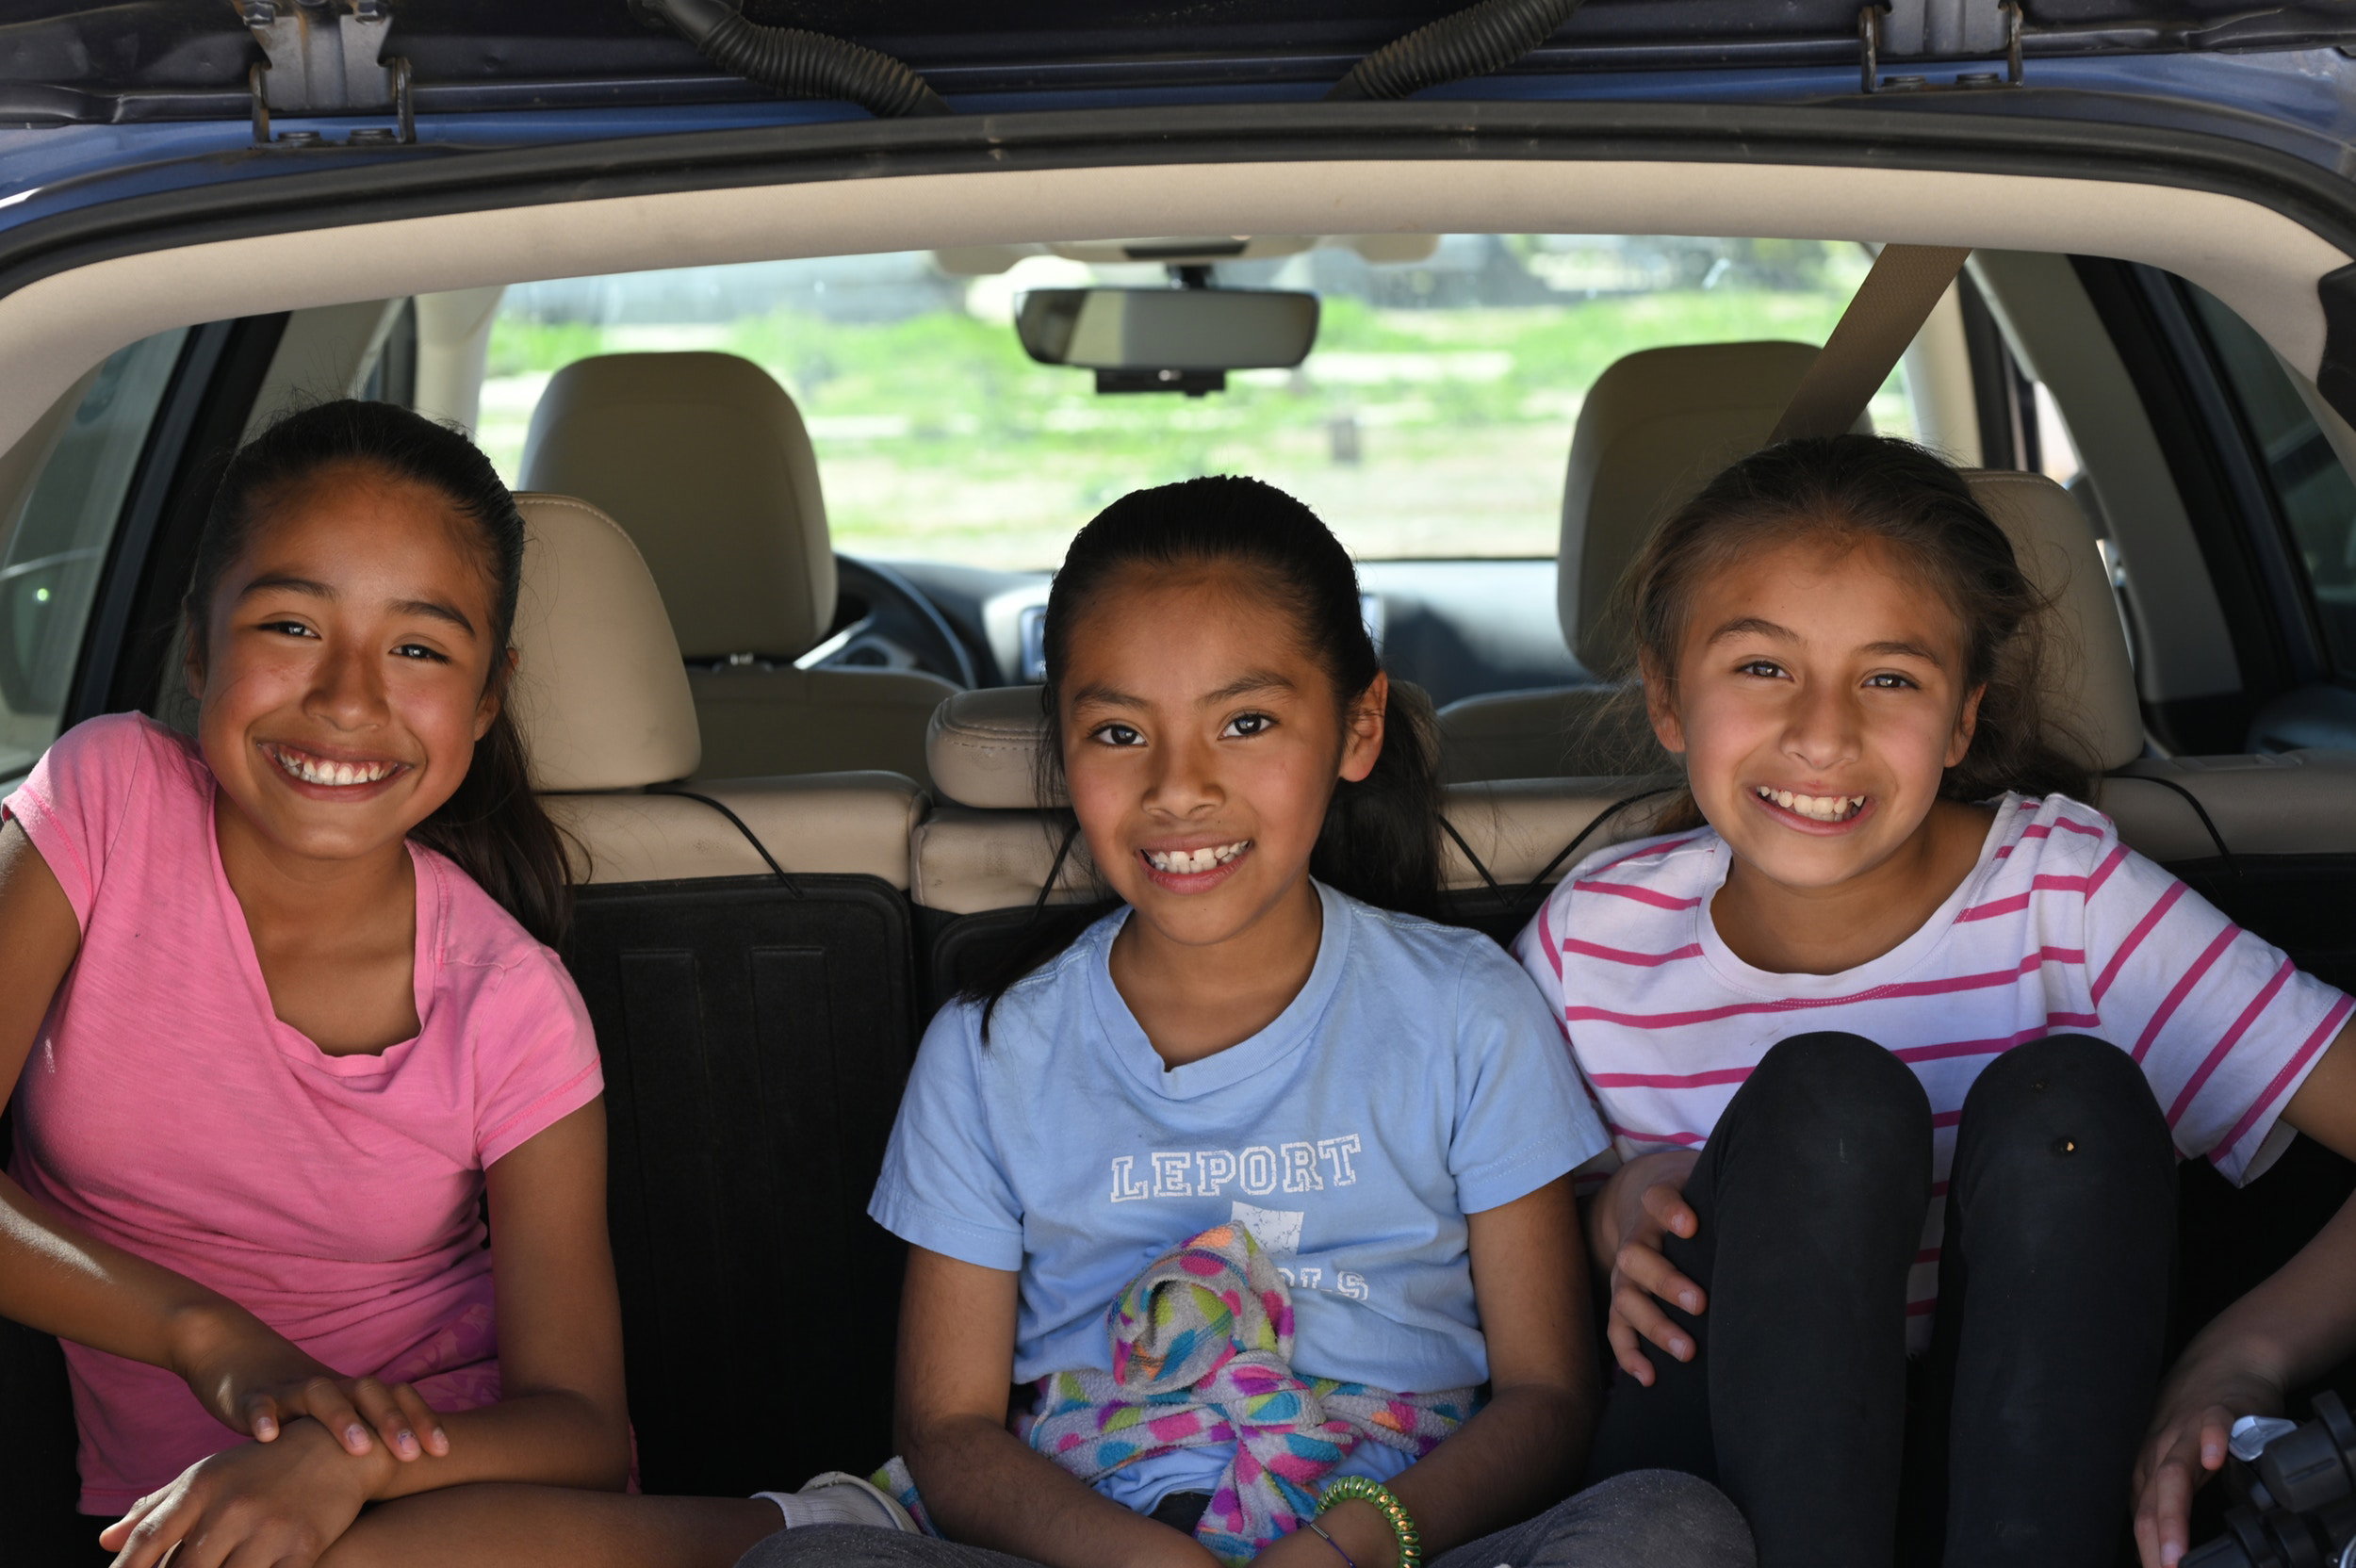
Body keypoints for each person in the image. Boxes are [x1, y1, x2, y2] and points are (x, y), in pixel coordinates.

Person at [733, 477, 1755, 1568]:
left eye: (1247, 722)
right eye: (1121, 731)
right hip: (1086, 1539)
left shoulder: (1465, 1008)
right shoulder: (991, 1050)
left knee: (1671, 1524)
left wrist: (1345, 1546)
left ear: (1358, 728)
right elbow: (945, 1430)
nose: (1180, 786)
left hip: (1389, 1537)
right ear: (1061, 750)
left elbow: (1547, 1397)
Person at [1513, 433, 2356, 1568]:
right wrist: (1605, 1217)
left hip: (2021, 1473)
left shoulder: (2067, 896)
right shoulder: (1590, 941)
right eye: (1761, 666)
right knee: (1830, 1105)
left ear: (1962, 719)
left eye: (1890, 677)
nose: (1822, 732)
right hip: (1714, 1501)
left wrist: (2245, 1348)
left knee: (2075, 1101)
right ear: (1667, 698)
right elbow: (1485, 1267)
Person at [0, 400, 641, 1567]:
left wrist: (340, 1452)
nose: (348, 698)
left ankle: (790, 1530)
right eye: (292, 624)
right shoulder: (106, 807)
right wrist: (205, 1334)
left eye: (417, 648)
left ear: (489, 698)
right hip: (181, 1515)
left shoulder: (511, 1001)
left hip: (452, 1483)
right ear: (199, 649)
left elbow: (585, 1427)